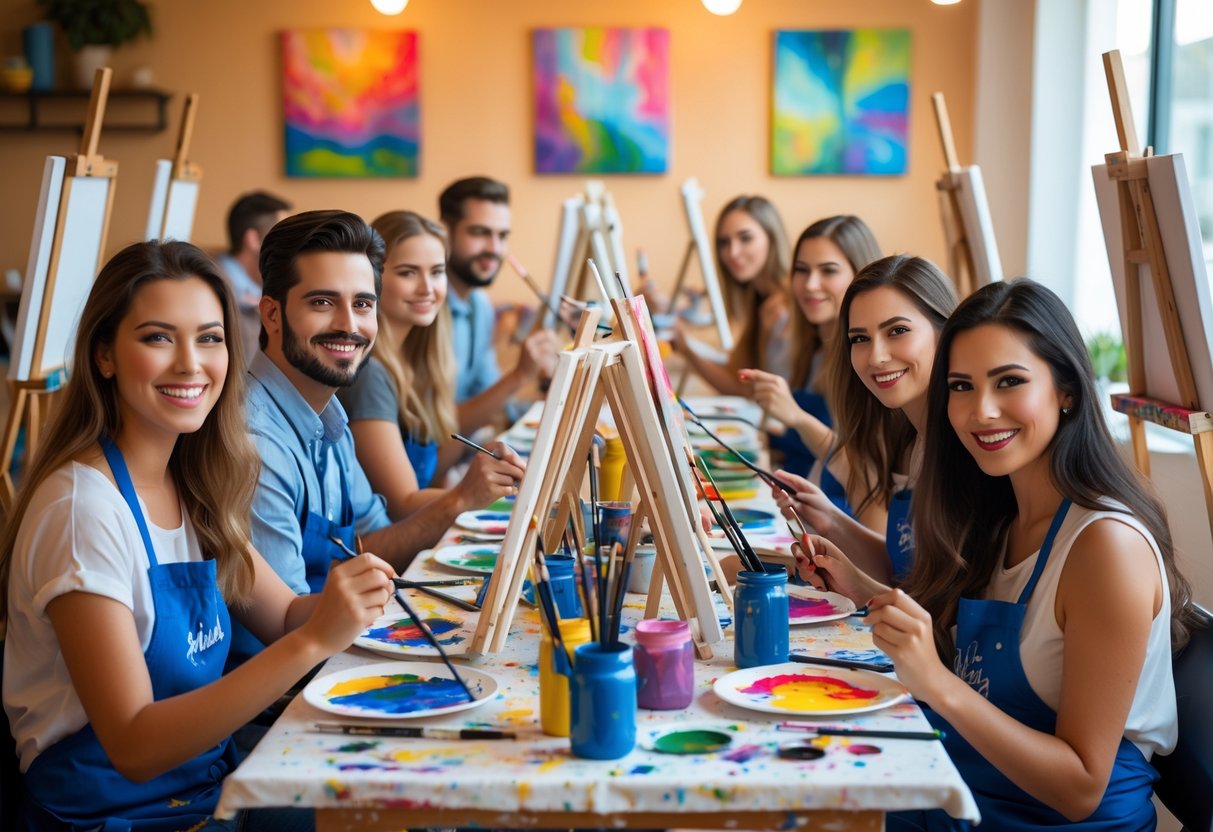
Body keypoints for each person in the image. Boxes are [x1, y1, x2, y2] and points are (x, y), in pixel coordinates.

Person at [1, 240, 393, 830]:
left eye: (209, 339)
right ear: (104, 354)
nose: (191, 363)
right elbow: (134, 745)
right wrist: (314, 643)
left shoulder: (194, 481)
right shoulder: (83, 511)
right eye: (158, 338)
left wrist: (352, 602)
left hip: (201, 789)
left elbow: (286, 616)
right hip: (115, 815)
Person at [810, 280, 1196, 830]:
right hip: (971, 788)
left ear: (1065, 389)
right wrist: (862, 591)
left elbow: (1082, 785)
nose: (981, 411)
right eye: (961, 387)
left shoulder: (1106, 547)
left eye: (1009, 382)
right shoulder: (996, 516)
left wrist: (937, 684)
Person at [773, 255, 957, 584]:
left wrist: (858, 586)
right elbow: (901, 569)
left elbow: (938, 611)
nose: (876, 356)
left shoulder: (964, 445)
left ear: (945, 332)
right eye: (860, 338)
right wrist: (831, 521)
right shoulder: (907, 437)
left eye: (897, 331)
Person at [338, 210, 525, 526]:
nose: (427, 288)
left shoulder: (418, 361)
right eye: (408, 273)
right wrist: (503, 495)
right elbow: (402, 504)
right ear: (372, 278)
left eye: (437, 272)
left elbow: (431, 468)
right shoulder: (369, 373)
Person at [742, 215, 882, 513]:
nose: (810, 285)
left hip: (840, 520)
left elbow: (864, 475)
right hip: (797, 505)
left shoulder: (872, 362)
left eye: (828, 271)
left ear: (862, 276)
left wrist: (795, 417)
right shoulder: (812, 349)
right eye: (801, 271)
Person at [438, 176, 558, 437]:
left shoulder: (480, 306)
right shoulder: (426, 309)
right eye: (480, 233)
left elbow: (488, 401)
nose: (494, 248)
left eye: (502, 236)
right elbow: (438, 430)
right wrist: (519, 375)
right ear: (444, 233)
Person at [670, 196, 790, 395]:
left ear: (772, 237)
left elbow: (743, 388)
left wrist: (687, 349)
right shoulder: (760, 300)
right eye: (724, 242)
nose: (732, 252)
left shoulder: (782, 308)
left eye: (746, 238)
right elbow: (737, 372)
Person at [214, 190, 292, 364]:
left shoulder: (260, 286)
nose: (289, 248)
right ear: (254, 240)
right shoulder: (213, 290)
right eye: (281, 237)